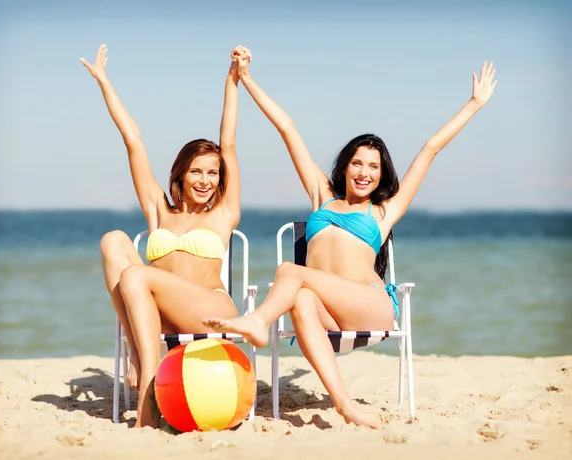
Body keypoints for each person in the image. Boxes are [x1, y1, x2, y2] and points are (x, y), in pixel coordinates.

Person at [204, 50, 498, 429]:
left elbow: (430, 148)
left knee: (290, 272)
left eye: (373, 167)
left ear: (381, 174)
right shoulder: (321, 196)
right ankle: (344, 404)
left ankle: (258, 320)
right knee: (302, 295)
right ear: (344, 167)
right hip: (328, 311)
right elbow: (287, 129)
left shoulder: (384, 211)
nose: (364, 172)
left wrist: (473, 104)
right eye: (357, 163)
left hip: (369, 306)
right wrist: (246, 80)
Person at [81, 44, 250, 428]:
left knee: (137, 275)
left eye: (212, 173)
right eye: (196, 172)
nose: (205, 181)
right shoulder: (159, 209)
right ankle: (141, 357)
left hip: (210, 313)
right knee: (112, 240)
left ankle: (147, 398)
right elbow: (133, 140)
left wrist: (232, 80)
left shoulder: (224, 214)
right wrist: (105, 82)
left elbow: (231, 142)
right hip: (161, 315)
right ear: (180, 175)